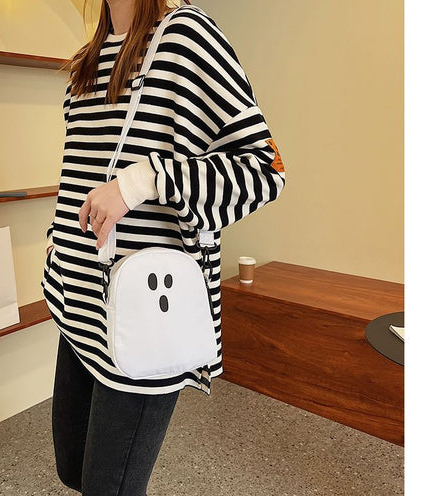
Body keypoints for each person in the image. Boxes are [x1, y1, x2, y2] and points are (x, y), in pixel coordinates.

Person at [42, 1, 285, 494]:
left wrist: (141, 182)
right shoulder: (87, 60)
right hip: (78, 304)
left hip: (148, 315)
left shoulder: (185, 37)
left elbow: (264, 171)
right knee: (72, 468)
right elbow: (81, 172)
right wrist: (58, 240)